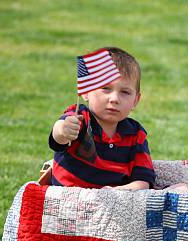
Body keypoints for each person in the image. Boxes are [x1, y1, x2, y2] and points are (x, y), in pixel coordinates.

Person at [49, 47, 155, 190]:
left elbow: (143, 181)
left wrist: (117, 192)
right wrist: (63, 129)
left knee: (180, 188)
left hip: (116, 203)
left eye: (125, 92)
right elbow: (58, 137)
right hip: (72, 202)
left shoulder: (135, 134)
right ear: (86, 92)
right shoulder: (79, 118)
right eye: (105, 88)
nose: (114, 99)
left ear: (136, 100)